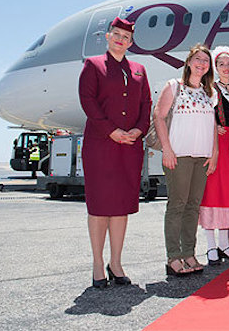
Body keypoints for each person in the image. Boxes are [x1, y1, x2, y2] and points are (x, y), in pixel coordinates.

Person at [78, 17, 151, 288]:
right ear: (108, 37)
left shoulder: (139, 70)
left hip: (129, 147)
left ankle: (116, 262)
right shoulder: (93, 65)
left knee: (120, 207)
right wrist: (111, 130)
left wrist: (138, 130)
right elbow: (88, 101)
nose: (121, 39)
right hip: (101, 145)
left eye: (126, 37)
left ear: (131, 42)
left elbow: (146, 104)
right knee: (99, 207)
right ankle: (98, 263)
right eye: (116, 34)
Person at [154, 44, 218, 276]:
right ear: (189, 62)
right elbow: (159, 116)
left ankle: (189, 253)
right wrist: (167, 149)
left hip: (201, 158)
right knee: (177, 205)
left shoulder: (209, 92)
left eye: (206, 61)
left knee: (193, 207)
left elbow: (212, 126)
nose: (201, 64)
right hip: (178, 156)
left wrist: (214, 154)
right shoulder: (174, 86)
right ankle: (173, 256)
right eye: (198, 59)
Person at [199, 47, 229, 265]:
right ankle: (210, 246)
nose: (226, 68)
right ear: (215, 68)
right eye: (222, 64)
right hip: (216, 146)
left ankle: (225, 244)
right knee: (213, 194)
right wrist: (213, 125)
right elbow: (203, 115)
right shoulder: (210, 90)